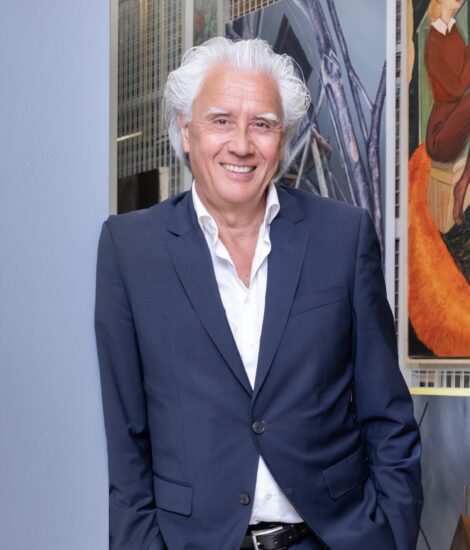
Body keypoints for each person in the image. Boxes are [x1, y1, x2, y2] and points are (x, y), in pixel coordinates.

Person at [95, 37, 422, 550]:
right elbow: (126, 440)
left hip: (334, 538)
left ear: (283, 139)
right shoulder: (130, 249)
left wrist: (393, 536)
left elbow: (388, 415)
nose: (242, 144)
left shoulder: (343, 236)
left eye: (263, 125)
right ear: (186, 130)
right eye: (221, 120)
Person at [425, 0, 470, 225]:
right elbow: (456, 90)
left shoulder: (454, 34)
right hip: (439, 136)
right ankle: (462, 186)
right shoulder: (434, 42)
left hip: (455, 123)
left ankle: (463, 184)